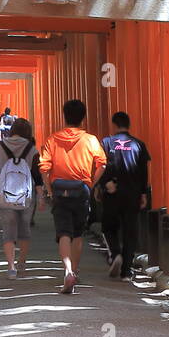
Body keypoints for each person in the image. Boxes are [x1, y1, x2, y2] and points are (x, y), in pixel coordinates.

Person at [39, 99, 106, 294]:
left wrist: (49, 189)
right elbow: (102, 164)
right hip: (82, 189)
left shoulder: (53, 139)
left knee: (63, 233)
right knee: (77, 233)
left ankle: (67, 271)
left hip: (60, 189)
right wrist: (91, 183)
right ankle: (75, 271)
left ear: (64, 115)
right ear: (83, 117)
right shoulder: (90, 140)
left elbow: (44, 167)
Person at [96, 111, 151, 280]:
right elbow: (144, 170)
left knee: (108, 227)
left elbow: (100, 165)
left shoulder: (106, 142)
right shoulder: (138, 144)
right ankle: (126, 271)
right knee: (130, 231)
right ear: (129, 125)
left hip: (112, 191)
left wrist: (101, 184)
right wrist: (143, 192)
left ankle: (116, 253)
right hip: (132, 192)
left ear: (114, 125)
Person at [0, 117, 43, 279]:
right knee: (24, 230)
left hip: (4, 194)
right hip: (26, 195)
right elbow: (37, 176)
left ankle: (11, 266)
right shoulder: (32, 150)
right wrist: (41, 196)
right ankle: (22, 262)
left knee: (8, 231)